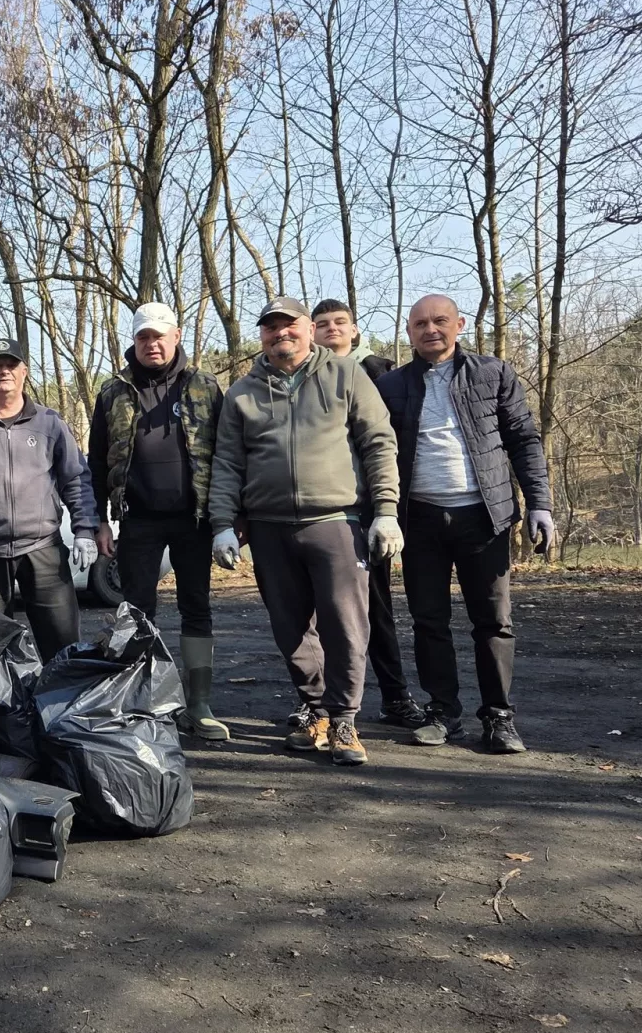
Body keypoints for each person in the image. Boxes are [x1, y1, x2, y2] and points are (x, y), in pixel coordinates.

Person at [208, 295, 400, 766]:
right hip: (270, 528)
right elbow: (228, 462)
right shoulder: (241, 394)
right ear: (263, 336)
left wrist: (386, 511)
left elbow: (378, 443)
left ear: (308, 330)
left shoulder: (346, 376)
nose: (281, 334)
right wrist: (222, 525)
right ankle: (314, 710)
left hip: (336, 521)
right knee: (290, 629)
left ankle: (344, 720)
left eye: (289, 325)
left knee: (346, 627)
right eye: (271, 328)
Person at [376, 294, 555, 753]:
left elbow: (523, 440)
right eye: (419, 323)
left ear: (458, 324)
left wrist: (540, 504)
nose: (430, 330)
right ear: (409, 331)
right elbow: (374, 453)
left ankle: (498, 717)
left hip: (486, 516)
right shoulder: (391, 385)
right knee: (428, 620)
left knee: (494, 621)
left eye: (439, 321)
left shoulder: (493, 374)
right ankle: (443, 712)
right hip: (419, 520)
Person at [86, 301, 228, 741]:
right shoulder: (114, 391)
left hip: (195, 520)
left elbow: (227, 456)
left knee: (196, 607)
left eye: (159, 336)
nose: (152, 344)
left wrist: (227, 519)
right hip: (138, 520)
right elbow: (95, 462)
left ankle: (198, 703)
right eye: (143, 337)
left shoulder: (205, 387)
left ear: (177, 336)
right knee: (136, 610)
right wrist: (100, 521)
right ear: (135, 342)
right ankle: (141, 699)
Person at [0, 338, 98, 662]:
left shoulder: (49, 423)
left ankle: (64, 710)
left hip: (43, 550)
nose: (4, 371)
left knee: (64, 648)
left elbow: (76, 478)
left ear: (23, 371)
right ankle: (8, 713)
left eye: (11, 365)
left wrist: (85, 529)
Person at [311, 298, 422, 728]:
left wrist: (387, 508)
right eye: (323, 324)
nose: (332, 329)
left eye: (340, 322)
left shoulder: (381, 372)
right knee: (319, 615)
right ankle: (318, 703)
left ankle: (395, 696)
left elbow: (387, 442)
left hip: (372, 509)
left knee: (375, 608)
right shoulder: (305, 377)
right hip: (326, 514)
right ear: (311, 332)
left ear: (355, 330)